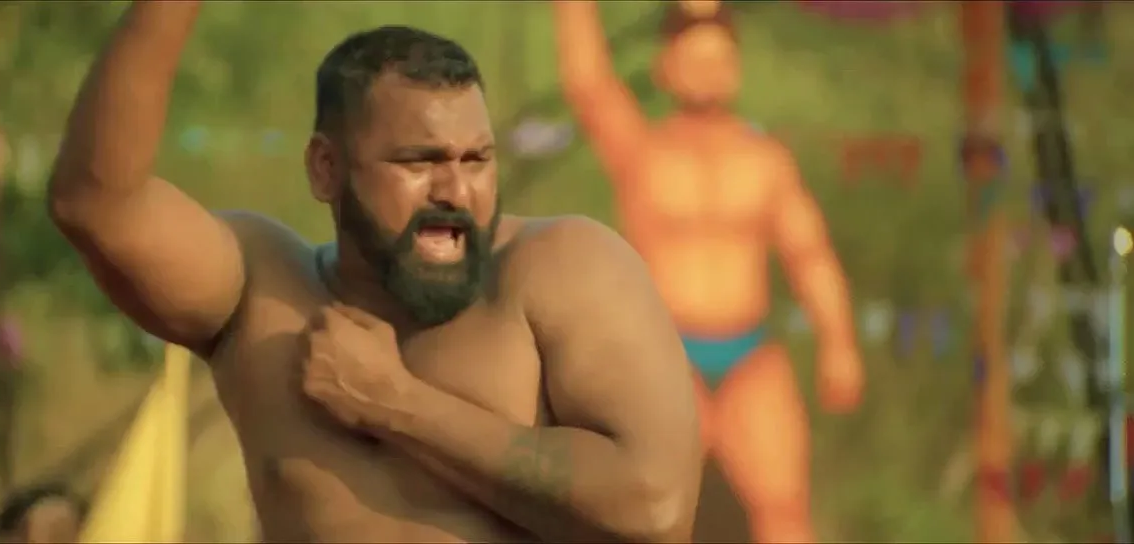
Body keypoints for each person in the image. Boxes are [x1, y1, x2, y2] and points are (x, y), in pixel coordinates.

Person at [46, 2, 701, 542]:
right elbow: (95, 204)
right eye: (420, 161)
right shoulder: (261, 294)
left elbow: (653, 511)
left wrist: (398, 405)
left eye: (476, 160)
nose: (456, 191)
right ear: (325, 169)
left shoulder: (561, 269)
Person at [553, 1, 864, 542]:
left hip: (750, 358)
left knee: (785, 511)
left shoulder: (765, 162)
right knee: (647, 517)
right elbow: (588, 84)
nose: (708, 72)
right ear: (666, 69)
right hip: (667, 362)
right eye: (694, 60)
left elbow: (809, 255)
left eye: (719, 60)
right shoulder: (641, 152)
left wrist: (839, 342)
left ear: (736, 69)